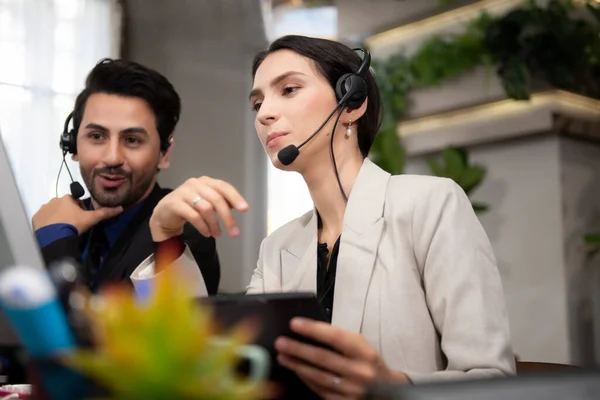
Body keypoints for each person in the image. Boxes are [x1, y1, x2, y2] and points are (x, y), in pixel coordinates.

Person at [142, 35, 516, 398]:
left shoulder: (430, 204)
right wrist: (166, 232)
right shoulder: (278, 248)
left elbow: (492, 380)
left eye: (288, 89)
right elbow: (206, 366)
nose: (265, 114)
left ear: (351, 101)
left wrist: (391, 386)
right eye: (257, 104)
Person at [31, 58, 220, 296]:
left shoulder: (179, 233)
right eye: (97, 136)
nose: (112, 158)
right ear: (73, 146)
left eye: (132, 140)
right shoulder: (62, 222)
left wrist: (55, 243)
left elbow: (94, 331)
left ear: (164, 153)